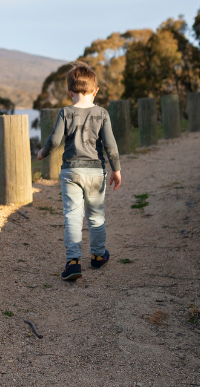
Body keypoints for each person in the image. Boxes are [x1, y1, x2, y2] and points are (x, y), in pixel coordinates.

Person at [36, 61, 122, 281]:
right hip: (95, 172)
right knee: (96, 215)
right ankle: (98, 256)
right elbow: (110, 145)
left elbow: (55, 140)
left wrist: (42, 153)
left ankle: (73, 262)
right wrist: (116, 169)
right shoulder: (102, 113)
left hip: (71, 172)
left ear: (69, 92)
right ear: (95, 91)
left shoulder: (66, 112)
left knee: (73, 216)